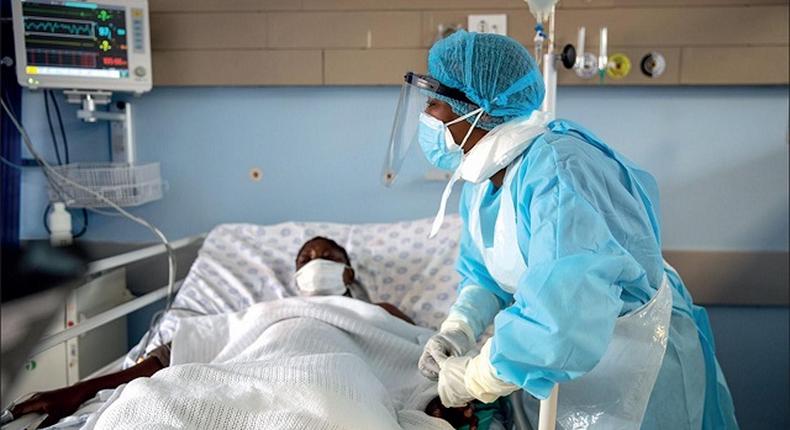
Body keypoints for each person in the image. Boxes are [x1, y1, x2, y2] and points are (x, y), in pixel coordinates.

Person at [385, 30, 739, 429]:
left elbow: (563, 314)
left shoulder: (558, 172)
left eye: (434, 102)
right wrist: (459, 329)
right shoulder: (484, 179)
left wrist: (477, 377)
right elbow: (486, 274)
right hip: (573, 365)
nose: (426, 116)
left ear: (477, 110)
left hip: (637, 360)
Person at [7, 237, 488, 429]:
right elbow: (167, 358)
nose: (313, 260)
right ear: (293, 276)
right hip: (249, 365)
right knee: (151, 402)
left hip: (337, 369)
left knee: (335, 406)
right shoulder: (262, 309)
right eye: (304, 258)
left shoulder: (378, 309)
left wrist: (438, 397)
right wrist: (75, 392)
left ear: (348, 273)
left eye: (327, 255)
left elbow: (421, 357)